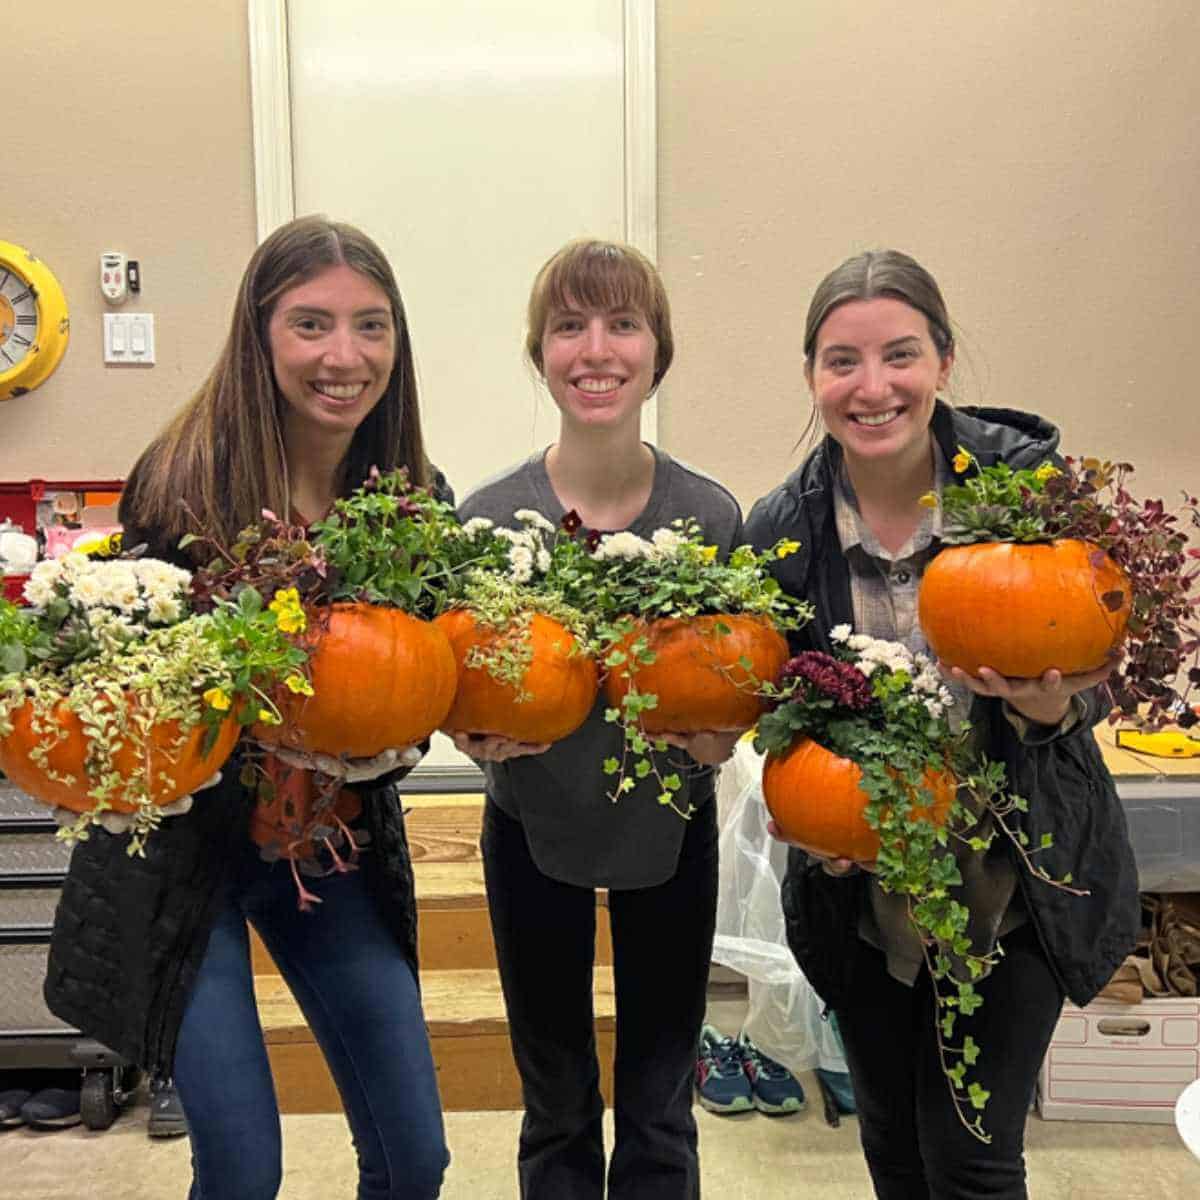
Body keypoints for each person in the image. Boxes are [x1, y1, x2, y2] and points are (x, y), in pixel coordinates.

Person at [43, 216, 450, 1200]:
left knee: (414, 1158)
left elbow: (411, 687)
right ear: (259, 334)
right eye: (311, 325)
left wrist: (392, 741)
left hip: (326, 851)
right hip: (184, 865)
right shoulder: (186, 485)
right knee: (241, 1167)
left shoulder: (410, 501)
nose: (344, 358)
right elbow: (121, 689)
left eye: (371, 327)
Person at [744, 248, 1139, 1199]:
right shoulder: (780, 534)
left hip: (1018, 876)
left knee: (970, 1154)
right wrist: (814, 817)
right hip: (864, 891)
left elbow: (1105, 659)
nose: (871, 387)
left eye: (901, 355)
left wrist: (1058, 705)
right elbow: (784, 710)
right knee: (890, 1137)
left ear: (945, 361)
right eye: (842, 361)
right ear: (811, 376)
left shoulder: (1026, 491)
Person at [455, 239, 745, 1199]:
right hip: (532, 828)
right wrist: (468, 729)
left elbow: (736, 679)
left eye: (624, 323)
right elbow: (459, 679)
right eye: (569, 325)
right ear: (538, 351)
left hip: (671, 829)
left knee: (661, 1107)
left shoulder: (709, 515)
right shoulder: (490, 519)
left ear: (659, 351)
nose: (597, 349)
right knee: (557, 1102)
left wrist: (726, 736)